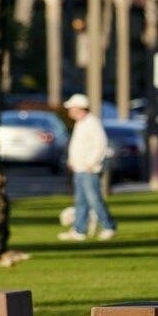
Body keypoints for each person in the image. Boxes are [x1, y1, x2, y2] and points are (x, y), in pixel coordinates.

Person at [58, 94, 117, 242]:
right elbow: (78, 145)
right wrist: (72, 160)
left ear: (79, 108)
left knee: (94, 199)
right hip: (79, 169)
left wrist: (91, 162)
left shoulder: (92, 122)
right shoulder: (81, 123)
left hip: (89, 169)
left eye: (71, 108)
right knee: (80, 201)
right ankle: (79, 230)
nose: (69, 111)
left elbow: (101, 143)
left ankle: (109, 226)